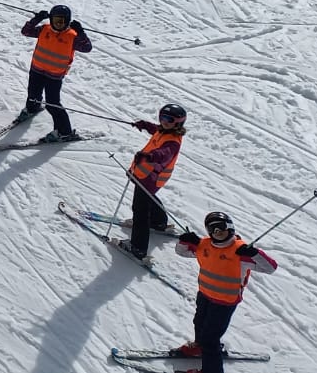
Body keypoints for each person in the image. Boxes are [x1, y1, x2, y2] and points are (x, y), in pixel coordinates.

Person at [175, 212, 278, 373]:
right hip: (204, 294)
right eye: (212, 229)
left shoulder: (240, 253)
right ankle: (199, 347)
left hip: (225, 302)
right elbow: (181, 252)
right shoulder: (204, 245)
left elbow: (271, 267)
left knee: (210, 338)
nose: (217, 232)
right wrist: (185, 241)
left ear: (230, 228)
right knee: (199, 323)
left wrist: (255, 253)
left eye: (221, 227)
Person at [119, 104, 187, 260]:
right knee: (149, 197)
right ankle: (158, 222)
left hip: (151, 176)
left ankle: (138, 247)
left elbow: (164, 153)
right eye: (162, 117)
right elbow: (156, 129)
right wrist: (144, 125)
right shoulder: (164, 130)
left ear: (178, 123)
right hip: (146, 175)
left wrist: (150, 156)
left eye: (169, 119)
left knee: (140, 211)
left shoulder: (173, 142)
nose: (164, 121)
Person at [20, 4, 93, 141]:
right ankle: (32, 108)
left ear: (67, 22)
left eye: (62, 22)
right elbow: (26, 31)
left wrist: (81, 32)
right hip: (37, 69)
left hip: (54, 76)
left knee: (52, 103)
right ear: (51, 20)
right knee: (33, 93)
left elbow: (87, 47)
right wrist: (37, 19)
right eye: (55, 21)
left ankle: (64, 131)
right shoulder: (44, 29)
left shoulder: (72, 36)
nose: (58, 24)